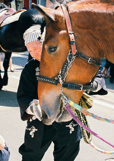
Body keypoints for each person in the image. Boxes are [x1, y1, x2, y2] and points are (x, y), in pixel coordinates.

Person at [17, 27, 82, 161]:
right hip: (41, 120)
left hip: (67, 118)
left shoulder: (69, 61)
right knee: (30, 155)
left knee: (66, 156)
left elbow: (92, 74)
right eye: (30, 51)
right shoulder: (31, 68)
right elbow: (24, 94)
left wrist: (96, 84)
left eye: (36, 48)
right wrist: (32, 107)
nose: (33, 53)